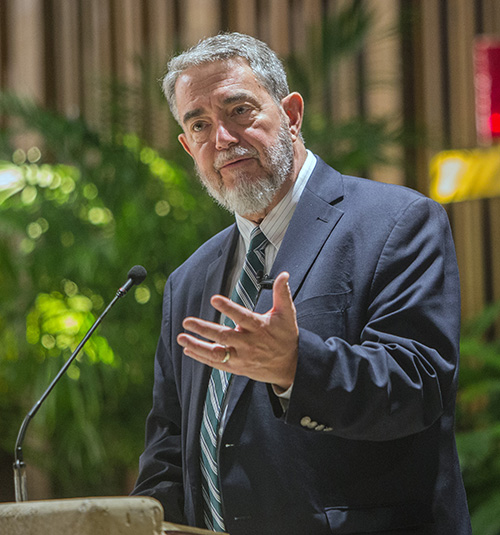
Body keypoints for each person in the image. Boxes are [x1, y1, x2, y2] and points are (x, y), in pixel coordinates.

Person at [131, 32, 471, 534]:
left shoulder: (397, 221)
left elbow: (417, 386)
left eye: (239, 110)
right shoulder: (190, 279)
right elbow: (168, 445)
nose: (221, 139)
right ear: (187, 146)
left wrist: (296, 366)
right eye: (199, 124)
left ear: (291, 114)